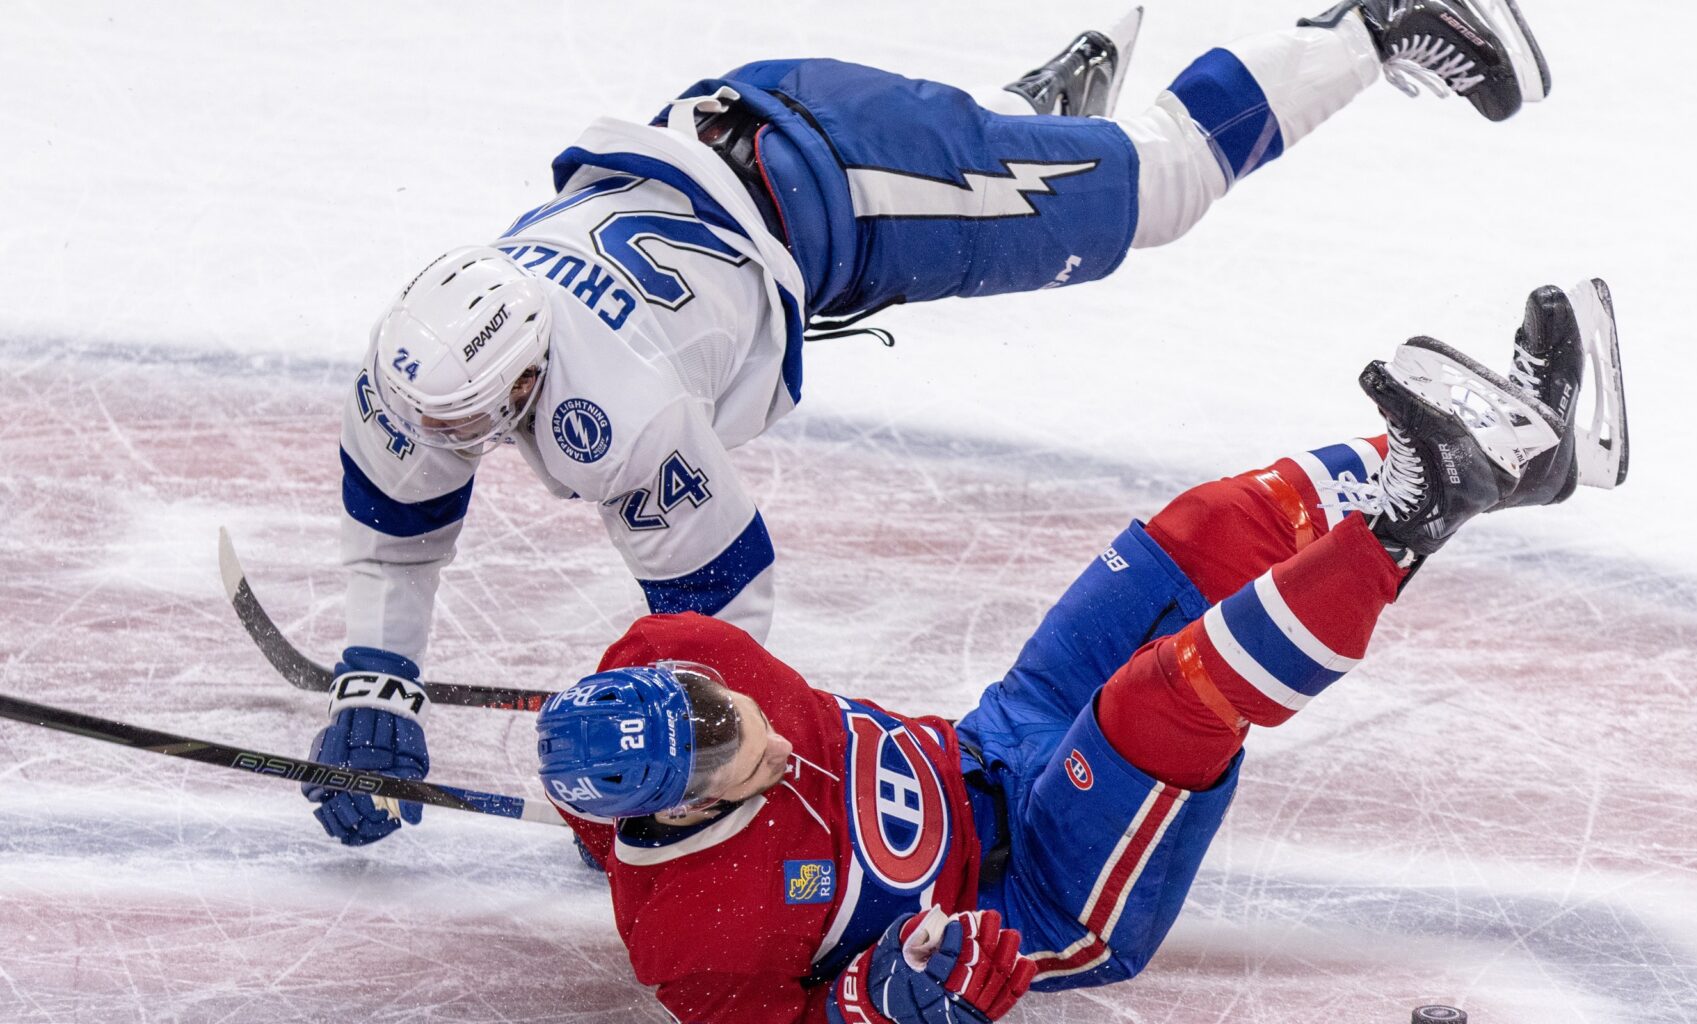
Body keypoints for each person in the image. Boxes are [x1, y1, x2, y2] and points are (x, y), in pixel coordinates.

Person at [310, 0, 1556, 846]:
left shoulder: (612, 404)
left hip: (854, 173)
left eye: (483, 417)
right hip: (757, 173)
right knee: (1043, 172)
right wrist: (381, 673)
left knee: (1161, 185)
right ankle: (1025, 116)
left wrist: (672, 771)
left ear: (531, 371)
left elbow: (724, 599)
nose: (459, 439)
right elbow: (402, 506)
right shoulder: (426, 350)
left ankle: (1376, 24)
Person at [510, 282, 1629, 1023]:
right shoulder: (692, 938)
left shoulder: (673, 648)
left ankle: (1525, 454)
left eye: (708, 702)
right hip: (1037, 891)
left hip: (994, 736)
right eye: (715, 759)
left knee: (1197, 536)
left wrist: (589, 828)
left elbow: (613, 792)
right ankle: (1408, 520)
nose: (740, 725)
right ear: (680, 814)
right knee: (1164, 697)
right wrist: (892, 995)